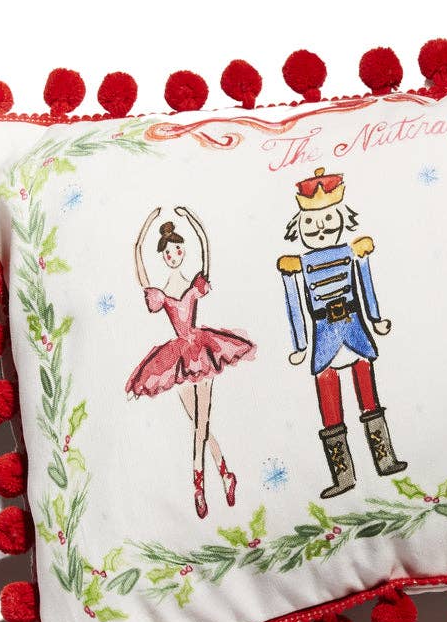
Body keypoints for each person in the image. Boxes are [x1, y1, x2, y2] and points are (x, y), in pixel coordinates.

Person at [277, 167, 407, 498]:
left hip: (354, 329)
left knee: (369, 396)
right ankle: (343, 475)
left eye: (327, 219)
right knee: (330, 405)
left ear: (341, 218)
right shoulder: (298, 265)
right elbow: (294, 303)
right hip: (324, 337)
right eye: (311, 222)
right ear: (299, 225)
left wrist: (375, 318)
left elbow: (366, 285)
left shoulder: (351, 253)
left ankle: (385, 459)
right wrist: (300, 344)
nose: (320, 228)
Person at [125, 207, 255, 518]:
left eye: (177, 250)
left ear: (183, 251)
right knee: (200, 425)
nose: (174, 255)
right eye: (168, 252)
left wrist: (194, 221)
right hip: (179, 357)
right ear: (163, 257)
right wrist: (145, 227)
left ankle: (198, 485)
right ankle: (225, 473)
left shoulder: (193, 285)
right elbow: (140, 264)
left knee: (201, 424)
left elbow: (206, 251)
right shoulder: (161, 294)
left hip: (200, 352)